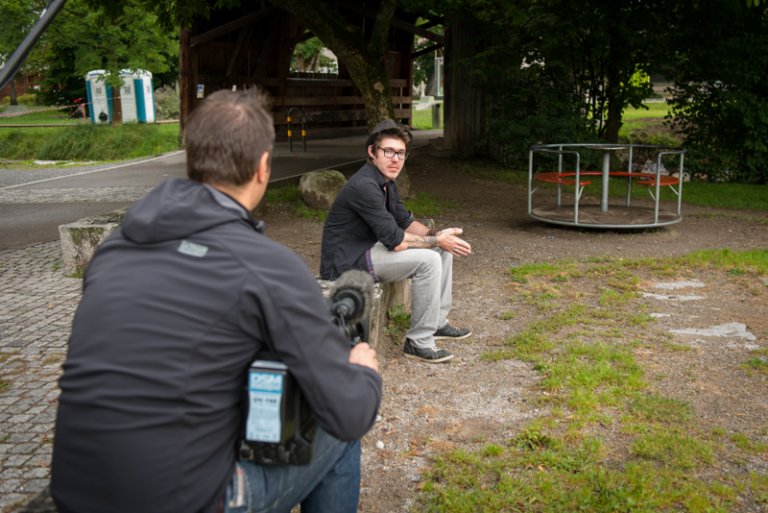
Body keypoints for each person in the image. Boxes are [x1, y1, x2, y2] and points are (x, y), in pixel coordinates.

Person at [50, 89, 382, 513]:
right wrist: (363, 374)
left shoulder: (114, 251)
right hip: (185, 502)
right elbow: (350, 413)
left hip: (75, 494)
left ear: (191, 160)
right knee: (337, 434)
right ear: (264, 168)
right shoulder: (267, 266)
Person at [320, 119, 472, 364]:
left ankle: (436, 323)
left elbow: (403, 220)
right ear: (372, 152)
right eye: (388, 151)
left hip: (367, 249)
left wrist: (438, 233)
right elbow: (396, 241)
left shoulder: (386, 183)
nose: (395, 159)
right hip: (347, 262)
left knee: (443, 250)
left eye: (401, 153)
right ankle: (418, 342)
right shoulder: (365, 185)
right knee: (430, 259)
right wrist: (435, 241)